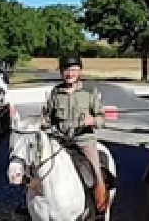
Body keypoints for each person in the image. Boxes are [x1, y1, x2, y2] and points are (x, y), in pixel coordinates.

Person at [42, 55, 110, 211]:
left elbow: (102, 118)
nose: (70, 73)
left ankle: (100, 206)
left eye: (73, 70)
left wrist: (92, 120)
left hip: (83, 140)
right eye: (66, 70)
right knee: (38, 167)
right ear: (61, 72)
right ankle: (31, 205)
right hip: (60, 140)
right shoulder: (55, 93)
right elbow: (48, 118)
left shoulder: (89, 92)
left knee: (95, 171)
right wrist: (45, 123)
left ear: (79, 71)